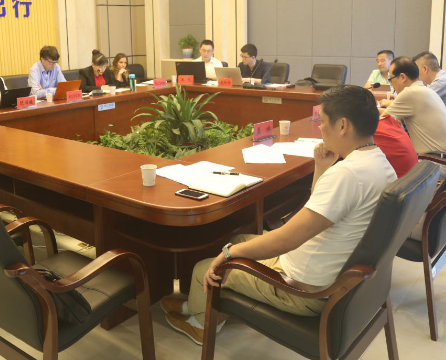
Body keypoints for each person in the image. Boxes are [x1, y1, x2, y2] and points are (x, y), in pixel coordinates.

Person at [162, 86, 396, 345]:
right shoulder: (379, 162)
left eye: (322, 121)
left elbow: (286, 239)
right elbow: (321, 211)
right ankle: (199, 305)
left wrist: (227, 255)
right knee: (239, 239)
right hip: (324, 271)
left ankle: (199, 323)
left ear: (342, 126)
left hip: (302, 290)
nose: (319, 127)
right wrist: (321, 168)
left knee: (204, 268)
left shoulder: (348, 174)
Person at [379, 57, 446, 159]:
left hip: (436, 160)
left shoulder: (410, 93)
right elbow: (389, 116)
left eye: (391, 79)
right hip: (445, 158)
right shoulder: (423, 90)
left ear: (403, 77)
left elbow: (383, 121)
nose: (390, 83)